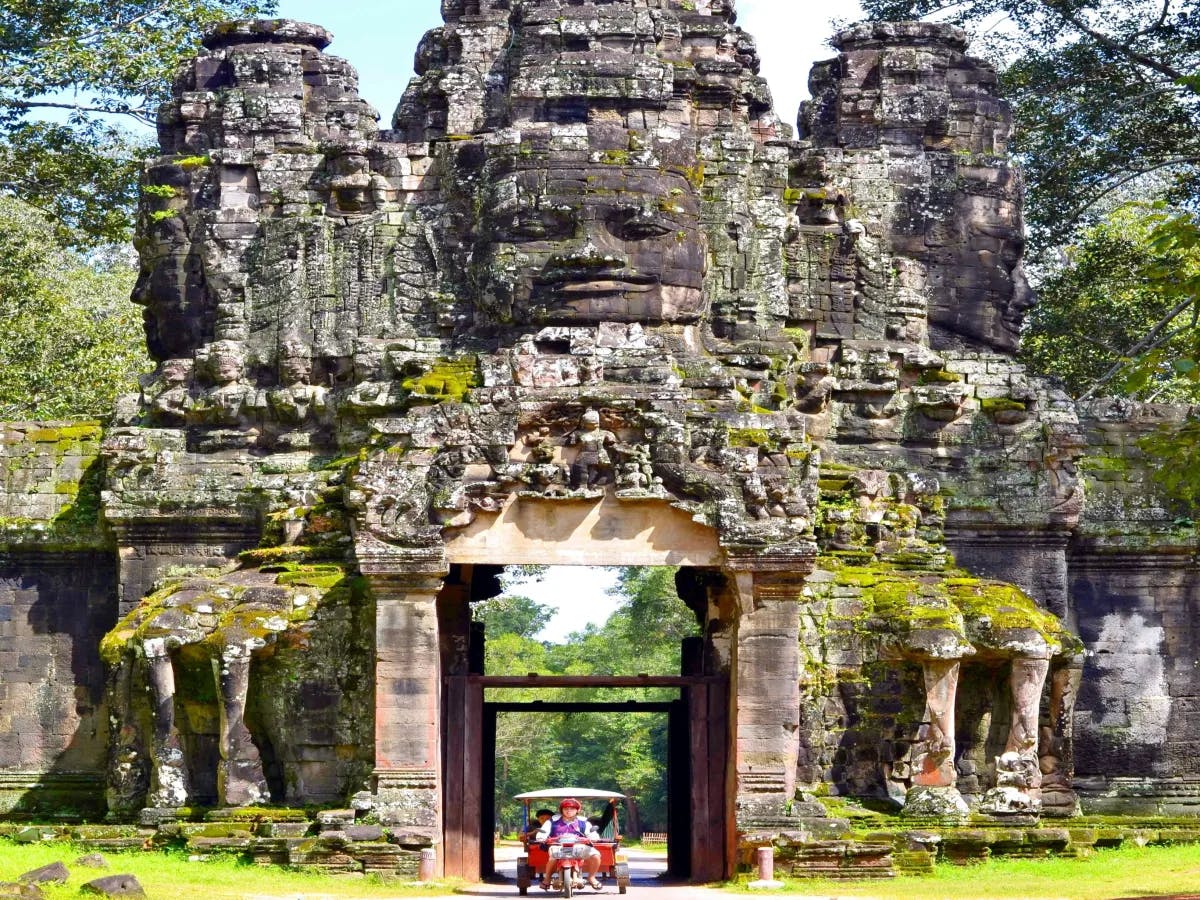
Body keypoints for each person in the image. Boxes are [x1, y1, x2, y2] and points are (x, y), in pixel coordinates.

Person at [536, 797, 602, 891]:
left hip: (579, 847)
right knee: (552, 858)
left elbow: (592, 834)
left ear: (577, 810)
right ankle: (547, 879)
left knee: (596, 855)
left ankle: (591, 877)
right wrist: (542, 838)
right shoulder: (552, 821)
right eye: (566, 808)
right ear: (561, 810)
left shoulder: (583, 822)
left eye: (572, 808)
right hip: (558, 847)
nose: (569, 811)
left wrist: (593, 837)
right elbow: (542, 833)